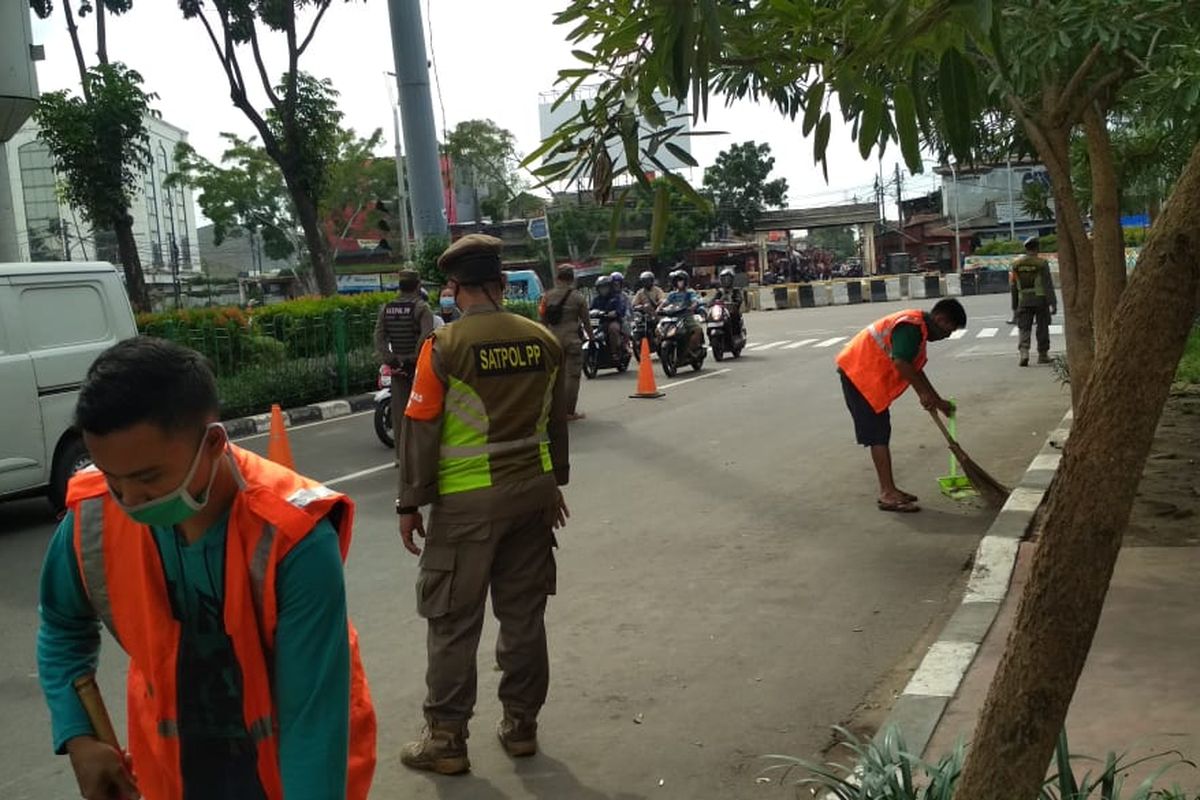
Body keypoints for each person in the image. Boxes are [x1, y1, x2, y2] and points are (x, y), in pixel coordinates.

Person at [37, 337, 376, 800]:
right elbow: (61, 623)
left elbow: (312, 723)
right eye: (111, 476)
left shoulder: (294, 538)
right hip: (169, 774)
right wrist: (80, 737)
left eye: (148, 478)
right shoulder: (93, 515)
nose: (128, 500)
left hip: (287, 775)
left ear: (213, 442)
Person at [397, 234, 571, 775]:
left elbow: (421, 429)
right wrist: (554, 482)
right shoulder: (542, 340)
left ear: (455, 288)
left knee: (451, 621)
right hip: (533, 499)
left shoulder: (444, 347)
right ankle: (521, 727)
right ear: (500, 283)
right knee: (523, 616)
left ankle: (446, 739)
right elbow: (555, 419)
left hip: (467, 507)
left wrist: (410, 504)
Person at [835, 299, 967, 513]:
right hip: (858, 374)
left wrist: (937, 400)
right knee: (878, 434)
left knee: (881, 431)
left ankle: (890, 489)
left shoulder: (919, 329)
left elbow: (915, 368)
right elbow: (901, 363)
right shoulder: (911, 327)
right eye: (948, 331)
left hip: (865, 374)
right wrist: (923, 394)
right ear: (940, 319)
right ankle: (887, 493)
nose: (947, 336)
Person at [374, 269, 435, 458]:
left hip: (397, 369)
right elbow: (427, 336)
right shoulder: (421, 308)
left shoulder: (387, 308)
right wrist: (414, 358)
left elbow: (379, 336)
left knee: (400, 414)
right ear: (418, 286)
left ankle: (401, 457)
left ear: (399, 286)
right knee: (424, 411)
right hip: (418, 368)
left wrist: (390, 358)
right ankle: (423, 455)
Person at [540, 265, 590, 422]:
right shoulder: (578, 297)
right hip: (571, 340)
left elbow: (542, 319)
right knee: (572, 376)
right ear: (572, 279)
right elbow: (586, 320)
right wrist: (592, 337)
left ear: (557, 278)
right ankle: (568, 412)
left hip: (552, 340)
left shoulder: (547, 296)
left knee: (553, 377)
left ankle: (552, 410)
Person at [1010, 237, 1057, 366]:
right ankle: (1043, 354)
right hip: (1040, 300)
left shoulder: (1016, 265)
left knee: (1024, 327)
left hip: (1023, 300)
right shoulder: (1042, 263)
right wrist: (1053, 303)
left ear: (1026, 249)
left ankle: (1024, 353)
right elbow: (1047, 284)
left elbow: (1013, 286)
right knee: (1042, 327)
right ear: (1037, 248)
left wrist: (1014, 306)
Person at [662, 268, 705, 355]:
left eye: (681, 280)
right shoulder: (672, 294)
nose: (679, 282)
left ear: (685, 281)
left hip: (686, 317)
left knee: (697, 329)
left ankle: (692, 348)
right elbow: (665, 302)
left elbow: (695, 299)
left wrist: (693, 305)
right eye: (677, 280)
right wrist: (659, 309)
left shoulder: (690, 292)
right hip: (673, 318)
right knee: (659, 330)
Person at [589, 275, 625, 360]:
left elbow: (620, 310)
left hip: (612, 321)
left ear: (610, 287)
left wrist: (614, 313)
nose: (603, 289)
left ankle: (614, 352)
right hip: (599, 322)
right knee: (587, 328)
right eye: (601, 287)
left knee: (613, 329)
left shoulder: (616, 298)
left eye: (605, 287)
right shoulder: (596, 300)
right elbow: (590, 310)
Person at [713, 267, 745, 336]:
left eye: (727, 279)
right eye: (723, 279)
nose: (726, 281)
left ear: (732, 280)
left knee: (735, 317)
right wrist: (709, 303)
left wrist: (736, 302)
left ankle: (737, 334)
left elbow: (739, 299)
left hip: (731, 312)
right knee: (711, 318)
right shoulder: (720, 292)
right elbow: (713, 300)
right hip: (720, 313)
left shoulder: (735, 291)